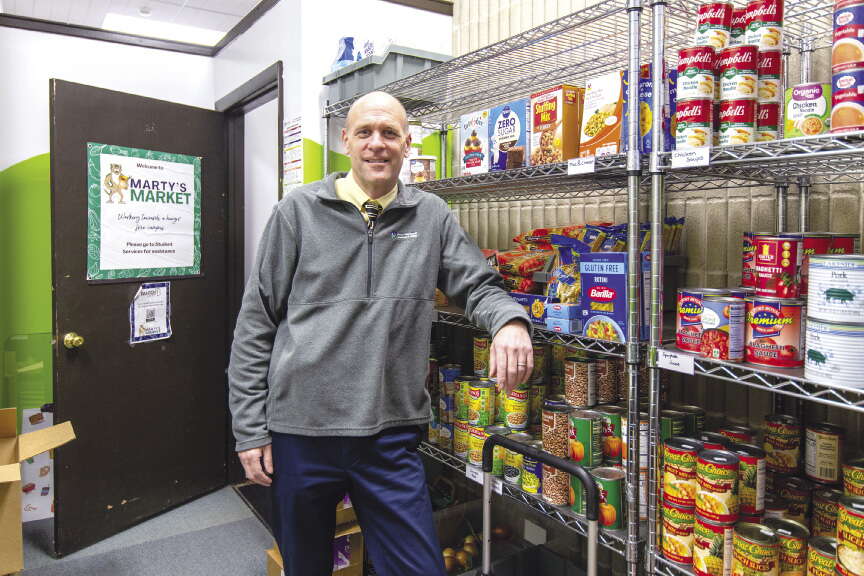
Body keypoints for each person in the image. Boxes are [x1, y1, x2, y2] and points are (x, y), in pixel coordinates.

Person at [228, 91, 533, 576]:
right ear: (345, 140)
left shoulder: (430, 215)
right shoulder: (298, 211)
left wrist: (510, 321)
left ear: (407, 143)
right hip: (302, 433)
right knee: (304, 565)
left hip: (389, 436)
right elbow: (256, 322)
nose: (377, 144)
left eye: (389, 133)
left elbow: (479, 285)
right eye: (365, 132)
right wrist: (249, 429)